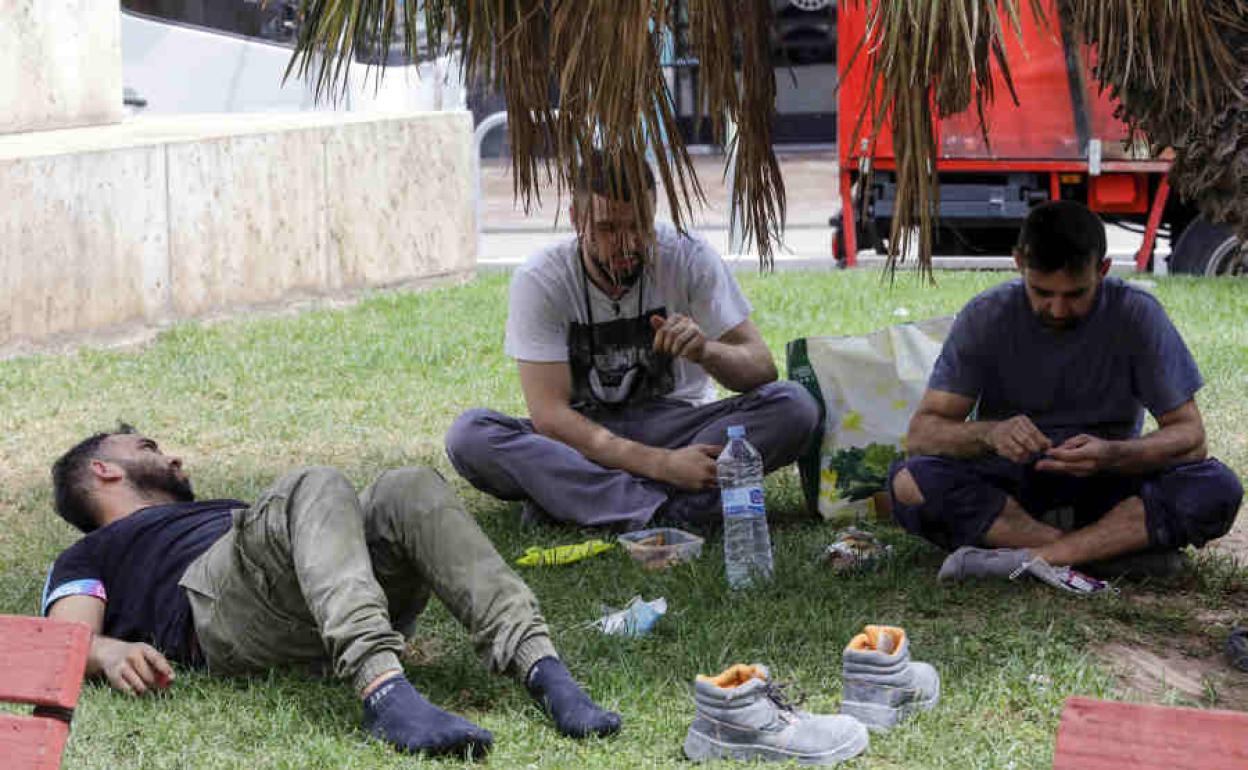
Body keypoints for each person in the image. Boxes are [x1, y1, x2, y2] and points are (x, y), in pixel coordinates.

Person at [42, 425, 621, 759]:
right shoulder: (90, 552)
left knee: (407, 487)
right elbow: (62, 640)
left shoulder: (218, 512)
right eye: (145, 447)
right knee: (313, 482)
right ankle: (384, 692)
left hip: (314, 592)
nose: (171, 456)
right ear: (103, 470)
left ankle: (543, 669)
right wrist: (108, 651)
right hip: (224, 614)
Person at [445, 151, 820, 530]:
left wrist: (707, 350)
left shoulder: (689, 257)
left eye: (639, 226)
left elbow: (761, 368)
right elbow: (551, 417)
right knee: (471, 435)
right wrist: (663, 466)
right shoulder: (542, 279)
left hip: (681, 427)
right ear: (577, 220)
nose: (626, 244)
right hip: (583, 436)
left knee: (794, 405)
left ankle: (575, 501)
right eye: (608, 229)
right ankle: (664, 508)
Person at [889, 201, 1242, 585]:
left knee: (1216, 487)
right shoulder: (986, 316)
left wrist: (1112, 454)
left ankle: (1042, 557)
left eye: (1076, 294)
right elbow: (923, 436)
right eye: (1041, 292)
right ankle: (1103, 555)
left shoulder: (1137, 315)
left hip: (1108, 485)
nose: (1057, 309)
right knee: (909, 482)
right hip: (1012, 490)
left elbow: (1190, 438)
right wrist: (990, 434)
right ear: (1018, 263)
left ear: (1103, 270)